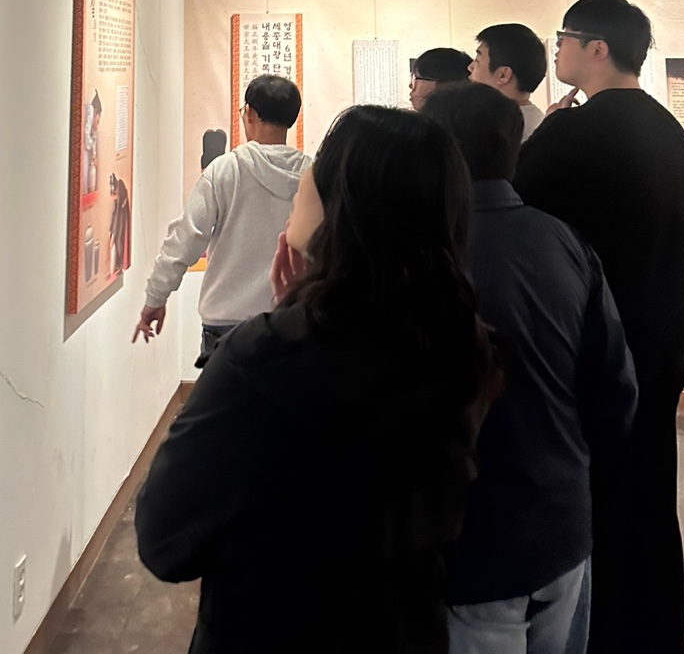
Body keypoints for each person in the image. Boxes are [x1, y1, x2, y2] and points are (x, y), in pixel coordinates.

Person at [135, 105, 499, 654]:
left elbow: (165, 539)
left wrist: (283, 326)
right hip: (405, 631)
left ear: (344, 209)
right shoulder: (463, 343)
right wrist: (300, 310)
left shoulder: (262, 359)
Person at [423, 82, 637, 653]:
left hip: (474, 541)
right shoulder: (563, 240)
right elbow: (616, 390)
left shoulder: (422, 252)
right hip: (562, 524)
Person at [513, 0, 684, 654]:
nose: (556, 49)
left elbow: (516, 202)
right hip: (662, 334)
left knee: (595, 500)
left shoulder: (575, 130)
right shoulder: (666, 128)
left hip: (599, 345)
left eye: (563, 37)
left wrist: (544, 135)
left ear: (597, 48)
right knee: (649, 492)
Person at [133, 75, 309, 366]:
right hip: (292, 322)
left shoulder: (224, 171)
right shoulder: (313, 175)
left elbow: (185, 239)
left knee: (225, 397)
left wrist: (156, 297)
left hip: (226, 323)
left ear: (249, 113)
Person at [469, 23, 548, 141]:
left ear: (503, 75)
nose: (470, 67)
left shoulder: (503, 128)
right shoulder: (535, 122)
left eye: (478, 60)